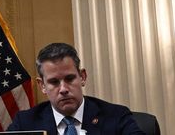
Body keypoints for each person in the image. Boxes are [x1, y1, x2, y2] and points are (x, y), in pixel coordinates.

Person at [9, 43, 143, 135]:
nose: (63, 89)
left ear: (82, 77)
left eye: (69, 79)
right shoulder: (25, 123)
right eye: (54, 82)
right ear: (42, 86)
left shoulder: (116, 117)